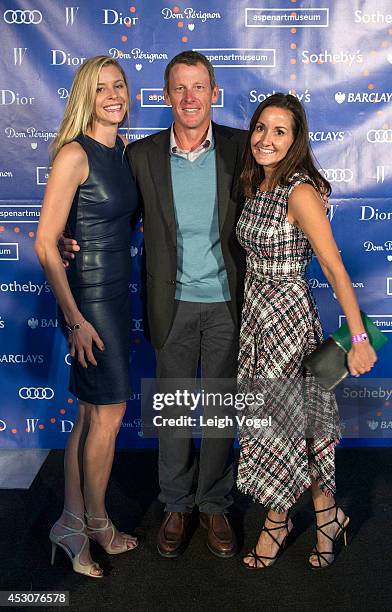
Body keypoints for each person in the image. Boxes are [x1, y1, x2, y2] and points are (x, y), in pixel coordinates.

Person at [63, 51, 247, 559]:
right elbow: (105, 211)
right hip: (173, 304)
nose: (190, 98)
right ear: (166, 97)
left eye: (199, 87)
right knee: (172, 412)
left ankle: (212, 504)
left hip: (230, 303)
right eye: (179, 88)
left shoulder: (240, 147)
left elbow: (281, 190)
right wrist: (65, 241)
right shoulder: (138, 155)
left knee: (217, 411)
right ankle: (175, 504)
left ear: (214, 93)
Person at [236, 93, 376, 570]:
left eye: (280, 131)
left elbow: (335, 268)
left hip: (287, 324)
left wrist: (358, 339)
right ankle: (328, 516)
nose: (266, 138)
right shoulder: (257, 183)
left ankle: (277, 524)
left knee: (288, 429)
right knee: (297, 429)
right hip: (255, 321)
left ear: (296, 141)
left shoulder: (299, 191)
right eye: (261, 128)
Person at [35, 55, 139, 578]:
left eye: (119, 85)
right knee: (110, 413)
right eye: (101, 89)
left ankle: (71, 523)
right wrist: (75, 319)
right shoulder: (75, 154)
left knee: (89, 414)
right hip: (91, 303)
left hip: (117, 295)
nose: (113, 96)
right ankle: (94, 522)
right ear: (85, 98)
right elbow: (45, 243)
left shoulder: (120, 149)